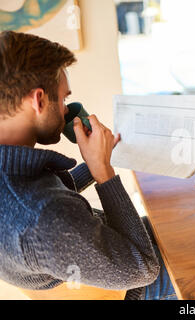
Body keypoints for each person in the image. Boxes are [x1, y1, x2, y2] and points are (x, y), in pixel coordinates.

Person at [0, 31, 176, 300]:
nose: (66, 111)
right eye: (62, 99)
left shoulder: (15, 179)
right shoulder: (42, 217)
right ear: (38, 100)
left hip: (93, 250)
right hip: (133, 285)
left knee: (176, 224)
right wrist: (104, 174)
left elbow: (53, 194)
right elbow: (143, 269)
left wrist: (96, 161)